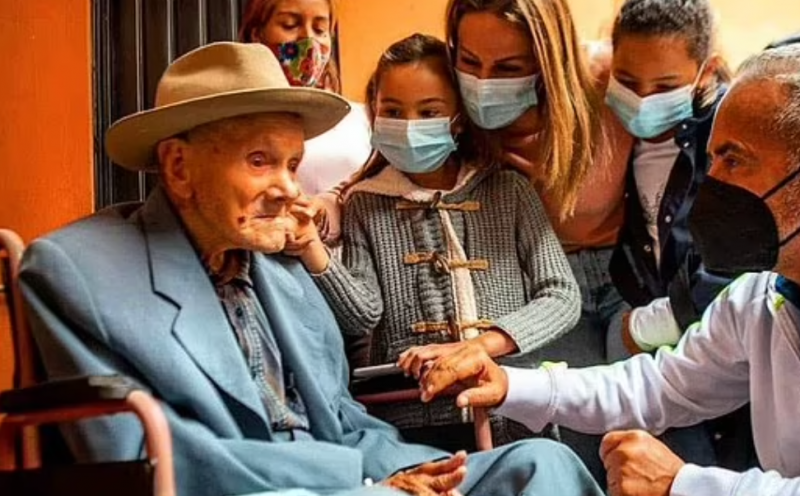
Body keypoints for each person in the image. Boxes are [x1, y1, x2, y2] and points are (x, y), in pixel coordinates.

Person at [19, 42, 604, 496]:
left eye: (293, 164)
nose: (289, 189)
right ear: (178, 167)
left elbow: (345, 418)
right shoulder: (81, 271)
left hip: (359, 474)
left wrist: (420, 474)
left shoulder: (283, 271)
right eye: (260, 161)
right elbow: (148, 457)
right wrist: (362, 487)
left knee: (541, 464)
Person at [419, 44, 800, 496]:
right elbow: (660, 386)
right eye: (712, 159)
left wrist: (683, 483)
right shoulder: (757, 300)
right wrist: (509, 385)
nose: (711, 184)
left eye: (733, 160)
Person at [288, 33, 579, 448]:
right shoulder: (365, 204)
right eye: (393, 111)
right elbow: (362, 315)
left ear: (457, 118)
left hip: (512, 409)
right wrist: (312, 249)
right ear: (374, 114)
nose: (409, 125)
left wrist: (479, 346)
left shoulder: (509, 191)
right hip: (412, 420)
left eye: (428, 112)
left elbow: (561, 295)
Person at [239, 0, 371, 196]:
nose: (308, 39)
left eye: (320, 30)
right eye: (290, 25)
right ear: (256, 34)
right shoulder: (233, 117)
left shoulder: (361, 119)